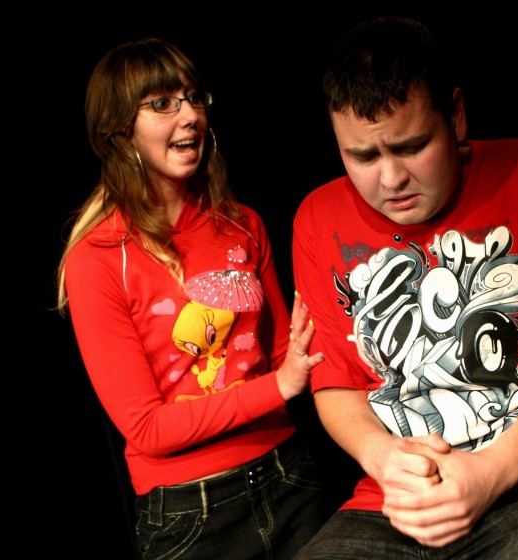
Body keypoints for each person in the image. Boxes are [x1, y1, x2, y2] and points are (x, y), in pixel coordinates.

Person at [291, 16, 518, 560]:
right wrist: (382, 457)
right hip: (396, 501)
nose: (391, 179)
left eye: (412, 146)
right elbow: (335, 384)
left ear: (456, 115)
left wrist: (489, 471)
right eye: (362, 156)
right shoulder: (318, 218)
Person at [56, 37, 331, 560]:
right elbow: (147, 428)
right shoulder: (98, 256)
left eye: (194, 98)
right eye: (163, 103)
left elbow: (284, 355)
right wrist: (280, 385)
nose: (190, 116)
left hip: (288, 477)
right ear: (119, 129)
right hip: (192, 514)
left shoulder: (242, 224)